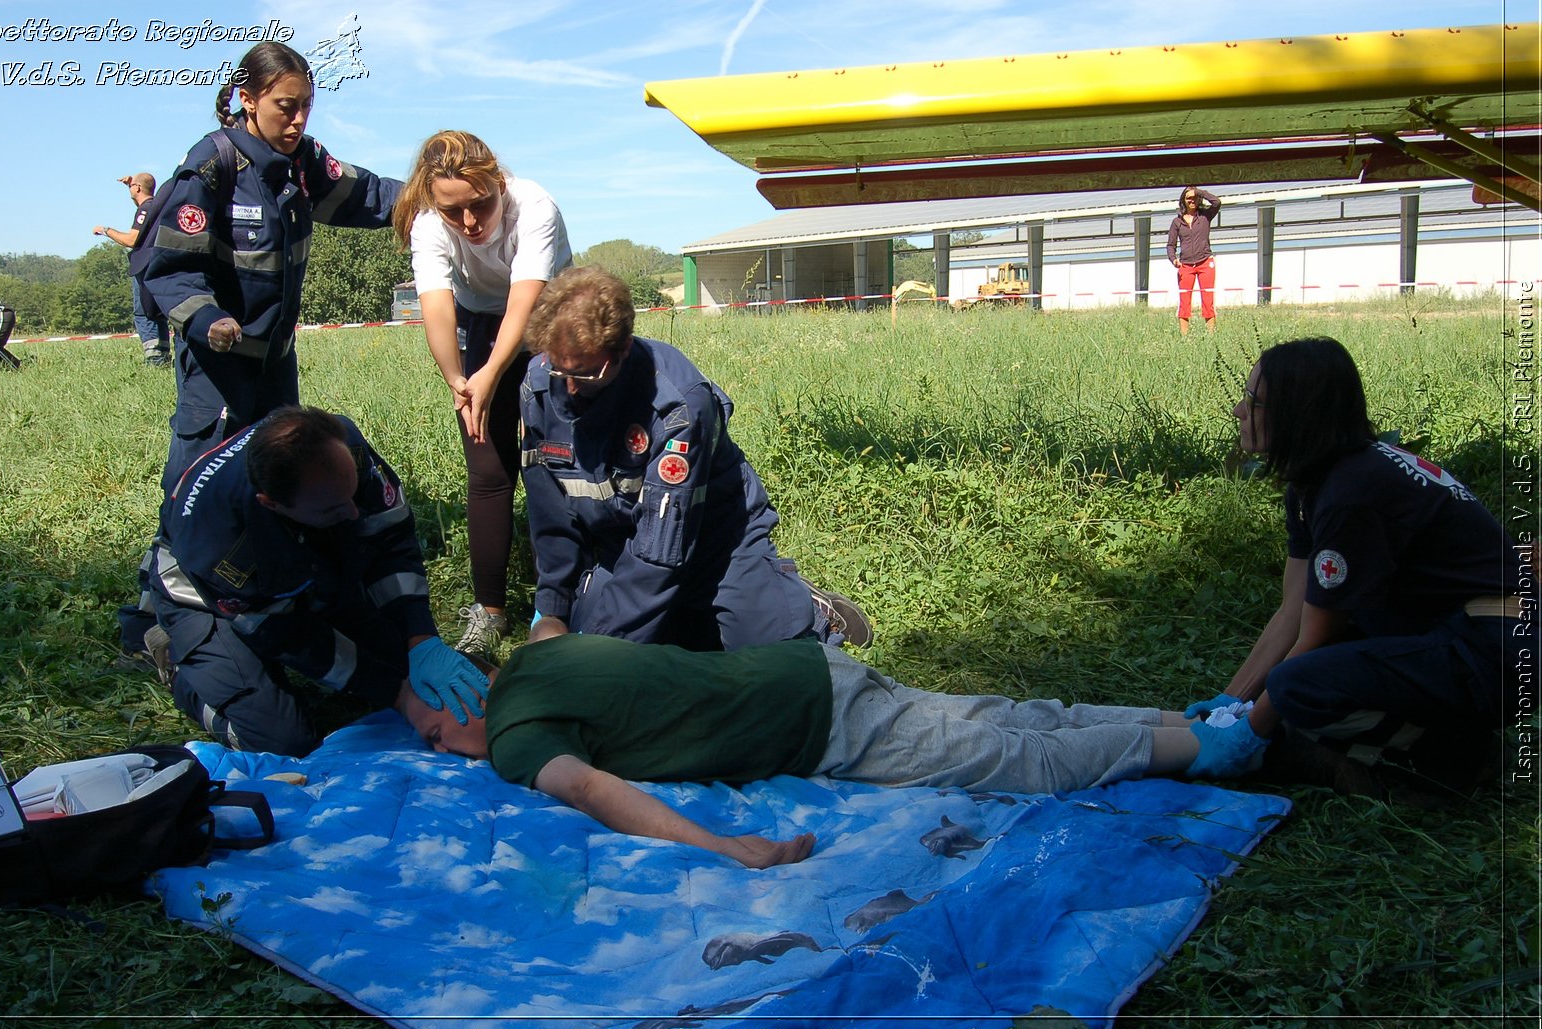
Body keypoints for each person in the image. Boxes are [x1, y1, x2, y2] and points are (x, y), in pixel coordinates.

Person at [399, 633, 1263, 868]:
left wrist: (719, 845)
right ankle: (1193, 718)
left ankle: (1212, 750)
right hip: (804, 663)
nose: (449, 752)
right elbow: (560, 625)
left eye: (437, 739)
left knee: (1006, 758)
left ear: (450, 723)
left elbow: (589, 791)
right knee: (1015, 715)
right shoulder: (536, 659)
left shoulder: (514, 740)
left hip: (818, 722)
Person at [120, 40, 401, 659]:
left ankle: (275, 592)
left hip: (275, 361)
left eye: (305, 107)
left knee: (279, 478)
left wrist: (435, 194)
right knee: (193, 485)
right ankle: (153, 614)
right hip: (217, 367)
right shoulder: (211, 167)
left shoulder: (303, 163)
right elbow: (164, 269)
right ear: (246, 101)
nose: (297, 121)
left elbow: (367, 195)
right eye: (284, 107)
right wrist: (210, 320)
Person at [1187, 336, 1528, 794]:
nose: (1238, 411)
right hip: (1453, 628)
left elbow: (1314, 637)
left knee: (1298, 685)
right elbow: (1294, 610)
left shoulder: (1352, 493)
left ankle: (1453, 756)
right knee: (1305, 673)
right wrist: (1231, 703)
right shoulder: (1315, 483)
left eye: (1254, 401)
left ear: (1297, 414)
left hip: (1497, 647)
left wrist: (1247, 733)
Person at [519, 265, 872, 650]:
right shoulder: (538, 386)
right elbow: (549, 512)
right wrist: (552, 608)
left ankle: (805, 608)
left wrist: (600, 652)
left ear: (622, 349)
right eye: (558, 368)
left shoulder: (678, 405)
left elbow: (659, 553)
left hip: (717, 541)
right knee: (609, 642)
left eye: (584, 375)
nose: (567, 388)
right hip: (619, 546)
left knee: (769, 657)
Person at [148, 405, 488, 756]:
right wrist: (398, 695)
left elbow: (390, 539)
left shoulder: (340, 446)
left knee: (415, 671)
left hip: (299, 563)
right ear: (272, 504)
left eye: (351, 494)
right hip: (204, 599)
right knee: (281, 741)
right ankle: (181, 669)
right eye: (331, 509)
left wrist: (421, 639)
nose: (353, 513)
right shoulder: (218, 542)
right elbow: (287, 635)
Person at [391, 131, 573, 655]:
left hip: (549, 317)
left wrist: (494, 370)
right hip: (482, 323)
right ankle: (490, 610)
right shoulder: (428, 225)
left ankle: (555, 605)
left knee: (554, 461)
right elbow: (438, 307)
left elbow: (525, 302)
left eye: (480, 204)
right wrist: (459, 379)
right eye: (454, 213)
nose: (469, 223)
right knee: (488, 469)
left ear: (498, 182)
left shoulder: (535, 206)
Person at [93, 172, 172, 367]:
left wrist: (106, 231)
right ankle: (163, 355)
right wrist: (133, 185)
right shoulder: (157, 206)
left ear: (137, 188)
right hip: (160, 263)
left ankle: (154, 359)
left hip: (144, 266)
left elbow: (132, 239)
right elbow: (144, 207)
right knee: (157, 312)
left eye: (132, 186)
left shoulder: (145, 209)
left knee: (143, 312)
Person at [1166, 185, 1220, 336]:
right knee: (1184, 302)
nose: (1192, 200)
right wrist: (1173, 259)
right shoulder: (1177, 222)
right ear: (1183, 200)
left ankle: (1212, 337)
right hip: (1186, 265)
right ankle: (1185, 338)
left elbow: (1216, 202)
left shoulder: (1205, 216)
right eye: (1188, 198)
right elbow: (1170, 245)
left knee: (1208, 301)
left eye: (1195, 197)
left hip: (1205, 262)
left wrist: (1200, 192)